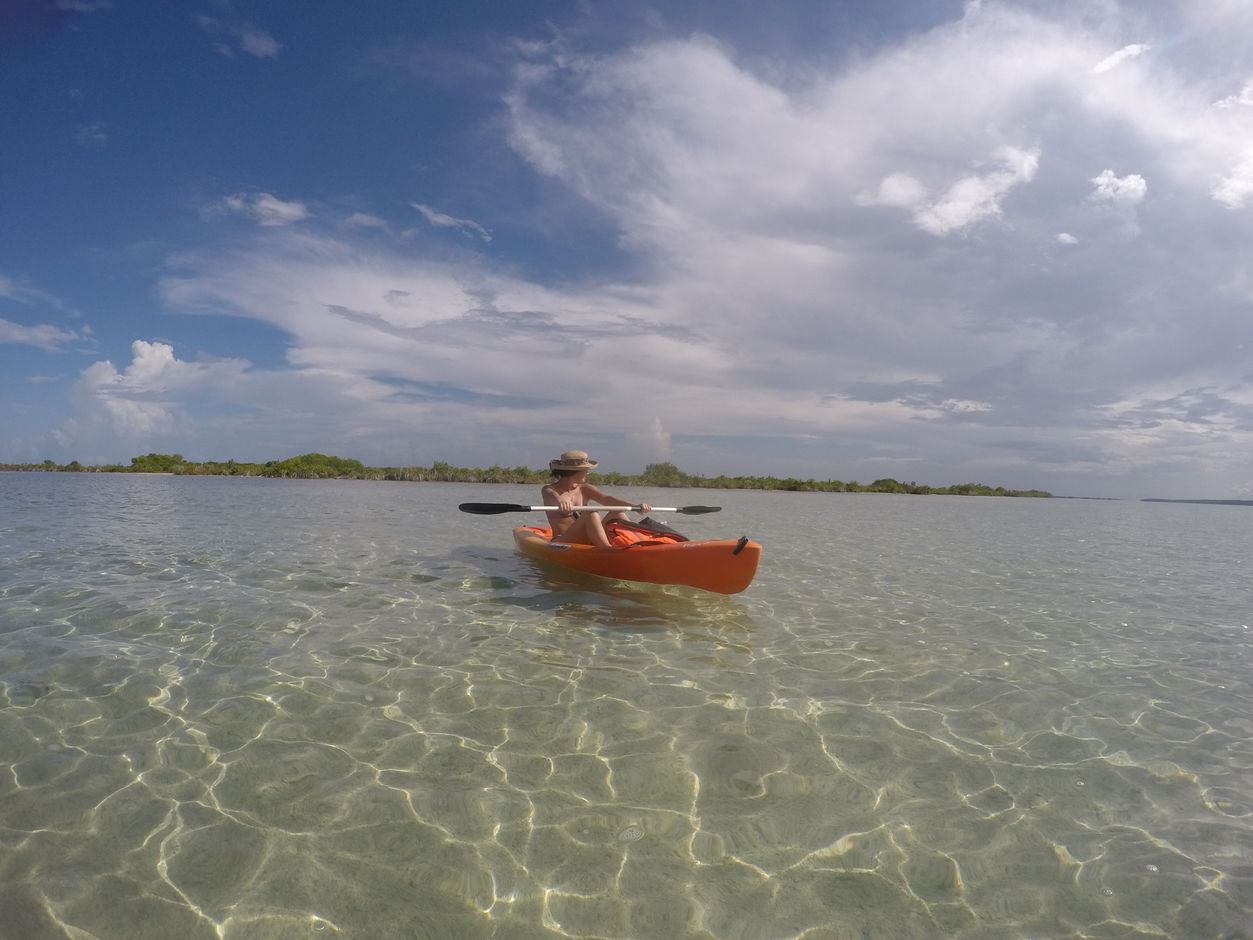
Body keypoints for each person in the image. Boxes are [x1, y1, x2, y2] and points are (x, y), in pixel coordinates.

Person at [542, 450, 651, 549]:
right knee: (591, 513)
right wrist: (561, 501)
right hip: (563, 539)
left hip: (587, 537)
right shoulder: (549, 489)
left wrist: (635, 506)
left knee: (617, 513)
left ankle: (638, 545)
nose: (588, 473)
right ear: (574, 471)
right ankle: (607, 549)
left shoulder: (585, 488)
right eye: (586, 470)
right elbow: (552, 496)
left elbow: (607, 500)